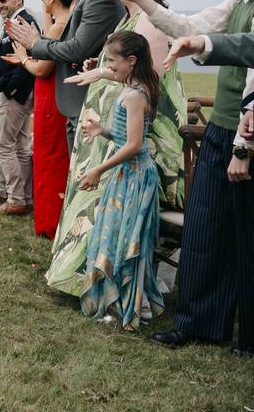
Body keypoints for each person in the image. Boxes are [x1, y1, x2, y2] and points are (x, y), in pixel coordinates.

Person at [108, 0, 254, 353]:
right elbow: (187, 27)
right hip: (223, 129)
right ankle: (199, 322)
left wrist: (243, 145)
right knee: (205, 227)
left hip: (248, 134)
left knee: (252, 238)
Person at [164, 0, 254, 408]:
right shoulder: (248, 1)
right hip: (244, 136)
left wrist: (242, 145)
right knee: (244, 244)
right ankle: (228, 329)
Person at [45, 0, 185, 295]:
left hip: (132, 138)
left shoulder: (150, 23)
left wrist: (104, 72)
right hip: (109, 130)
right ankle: (81, 274)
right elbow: (124, 65)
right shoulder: (127, 20)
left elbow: (151, 77)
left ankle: (101, 279)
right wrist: (104, 64)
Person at [76, 31, 164, 331]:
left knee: (129, 239)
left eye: (112, 61)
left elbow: (135, 145)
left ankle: (134, 301)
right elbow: (126, 137)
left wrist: (98, 169)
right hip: (126, 174)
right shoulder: (132, 89)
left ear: (131, 60)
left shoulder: (136, 95)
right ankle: (120, 298)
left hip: (136, 177)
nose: (108, 66)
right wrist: (103, 130)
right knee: (115, 235)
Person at [8, 0, 125, 151]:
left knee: (86, 177)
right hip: (79, 102)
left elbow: (78, 48)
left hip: (89, 102)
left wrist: (36, 44)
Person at [3, 0, 82, 237]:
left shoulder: (60, 27)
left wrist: (24, 59)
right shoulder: (60, 23)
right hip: (47, 93)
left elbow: (42, 67)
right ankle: (49, 218)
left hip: (50, 93)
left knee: (50, 158)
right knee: (47, 155)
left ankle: (51, 221)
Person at [0, 0, 39, 214]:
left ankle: (16, 198)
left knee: (2, 144)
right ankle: (24, 198)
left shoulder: (23, 21)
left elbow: (27, 55)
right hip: (14, 91)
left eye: (4, 0)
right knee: (18, 145)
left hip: (15, 93)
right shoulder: (9, 22)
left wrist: (11, 89)